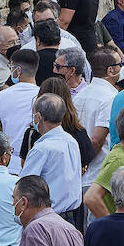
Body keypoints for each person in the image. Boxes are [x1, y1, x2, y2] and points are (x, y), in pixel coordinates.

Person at [20, 94, 84, 225]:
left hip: (49, 219)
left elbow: (24, 187)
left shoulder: (42, 149)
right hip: (72, 216)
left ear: (38, 117)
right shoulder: (71, 141)